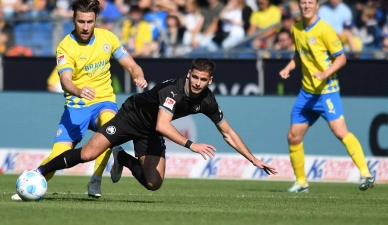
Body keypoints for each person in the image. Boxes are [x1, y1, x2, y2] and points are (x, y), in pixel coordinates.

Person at [32, 58, 278, 194]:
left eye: (203, 80)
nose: (197, 83)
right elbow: (163, 124)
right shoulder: (173, 91)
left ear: (209, 81)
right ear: (189, 74)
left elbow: (228, 132)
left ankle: (123, 159)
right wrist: (190, 144)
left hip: (149, 130)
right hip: (131, 116)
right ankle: (39, 172)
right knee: (88, 153)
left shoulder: (207, 100)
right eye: (194, 77)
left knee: (153, 184)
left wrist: (253, 160)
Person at [11, 0, 147, 200]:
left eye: (90, 22)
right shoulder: (65, 47)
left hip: (103, 102)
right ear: (73, 20)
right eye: (81, 21)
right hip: (76, 107)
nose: (85, 27)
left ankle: (96, 179)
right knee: (57, 156)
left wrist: (138, 75)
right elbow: (65, 81)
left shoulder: (108, 38)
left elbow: (132, 65)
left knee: (108, 125)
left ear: (95, 20)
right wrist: (78, 90)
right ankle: (31, 182)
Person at [279, 0, 374, 193]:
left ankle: (366, 174)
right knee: (293, 137)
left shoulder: (325, 30)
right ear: (299, 5)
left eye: (310, 3)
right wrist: (289, 67)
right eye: (303, 3)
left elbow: (341, 57)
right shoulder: (296, 28)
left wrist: (326, 73)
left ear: (317, 6)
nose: (306, 6)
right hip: (306, 93)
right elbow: (300, 54)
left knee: (340, 131)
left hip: (326, 92)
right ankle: (301, 183)